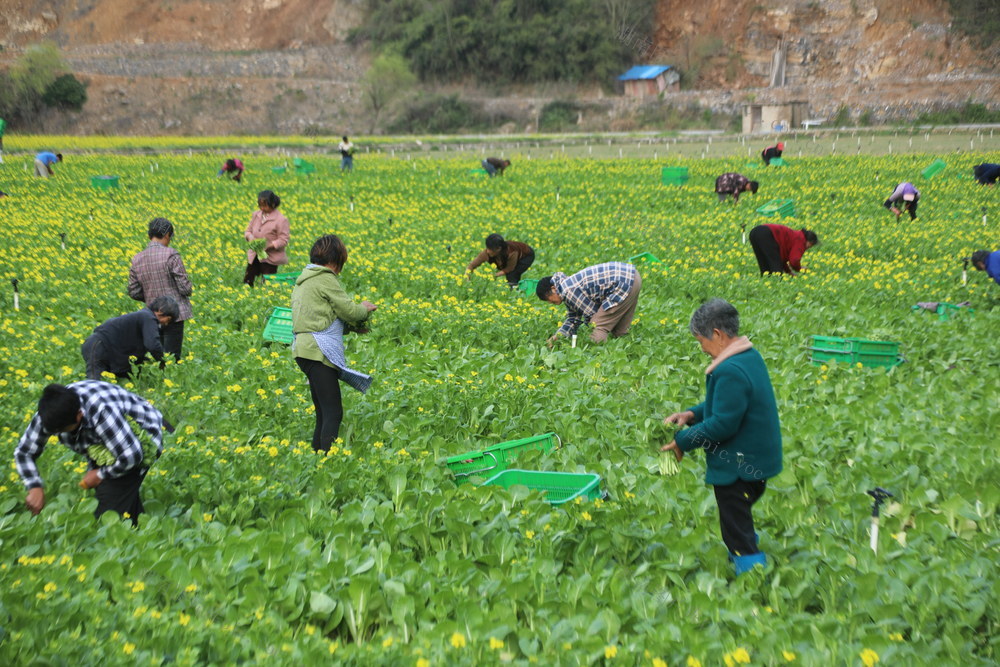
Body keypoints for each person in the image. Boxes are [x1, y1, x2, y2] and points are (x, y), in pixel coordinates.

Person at [661, 299, 782, 576]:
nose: (702, 348)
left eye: (700, 340)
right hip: (758, 461)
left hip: (739, 467)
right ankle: (747, 547)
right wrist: (691, 414)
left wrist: (682, 442)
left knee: (734, 525)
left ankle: (752, 576)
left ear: (717, 334)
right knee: (738, 518)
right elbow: (727, 406)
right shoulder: (748, 357)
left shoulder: (730, 370)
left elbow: (723, 424)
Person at [14, 381, 167, 524]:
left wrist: (100, 474)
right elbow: (24, 452)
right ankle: (136, 525)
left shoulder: (100, 410)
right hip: (108, 441)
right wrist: (34, 486)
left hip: (142, 435)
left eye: (61, 431)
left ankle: (128, 531)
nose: (56, 434)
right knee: (114, 496)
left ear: (79, 415)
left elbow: (132, 456)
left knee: (106, 513)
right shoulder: (50, 415)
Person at [291, 235, 377, 452]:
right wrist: (364, 309)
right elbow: (349, 310)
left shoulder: (305, 279)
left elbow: (322, 317)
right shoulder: (325, 278)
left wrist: (352, 329)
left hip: (303, 350)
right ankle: (328, 461)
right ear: (335, 261)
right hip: (318, 351)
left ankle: (317, 456)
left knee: (323, 411)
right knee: (333, 412)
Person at [128, 218, 193, 359]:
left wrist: (151, 297)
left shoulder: (137, 259)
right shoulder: (171, 255)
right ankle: (170, 379)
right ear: (167, 235)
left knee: (158, 355)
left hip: (154, 314)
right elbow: (185, 288)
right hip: (175, 314)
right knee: (172, 357)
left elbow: (133, 291)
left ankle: (159, 379)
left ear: (149, 235)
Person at [535, 261, 641, 346]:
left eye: (548, 299)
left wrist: (585, 337)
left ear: (553, 288)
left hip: (622, 283)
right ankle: (626, 348)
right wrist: (557, 337)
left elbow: (592, 314)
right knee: (618, 329)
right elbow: (573, 319)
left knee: (596, 326)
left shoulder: (568, 291)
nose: (550, 303)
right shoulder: (566, 286)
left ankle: (600, 356)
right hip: (632, 276)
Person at [81, 296, 178, 380]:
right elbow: (152, 345)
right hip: (98, 346)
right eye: (168, 319)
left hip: (103, 348)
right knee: (94, 382)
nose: (166, 323)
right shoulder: (148, 317)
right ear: (161, 310)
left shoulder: (144, 317)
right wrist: (163, 362)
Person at [243, 190, 290, 287]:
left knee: (267, 282)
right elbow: (248, 231)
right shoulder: (256, 215)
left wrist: (269, 245)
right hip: (255, 254)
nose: (262, 208)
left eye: (265, 206)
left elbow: (283, 240)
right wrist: (250, 238)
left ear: (272, 204)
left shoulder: (281, 220)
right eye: (260, 205)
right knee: (248, 279)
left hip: (270, 257)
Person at [465, 234, 535, 287]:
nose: (488, 251)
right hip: (507, 257)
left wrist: (494, 276)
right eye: (487, 248)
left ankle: (513, 291)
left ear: (498, 248)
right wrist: (467, 277)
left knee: (512, 274)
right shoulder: (486, 253)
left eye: (490, 249)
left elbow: (509, 269)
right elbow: (472, 265)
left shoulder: (511, 252)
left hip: (526, 255)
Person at [748, 224, 818, 275]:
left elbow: (781, 258)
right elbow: (794, 260)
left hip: (755, 232)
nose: (808, 248)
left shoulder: (795, 236)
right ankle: (776, 288)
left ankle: (766, 286)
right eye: (811, 245)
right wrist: (800, 269)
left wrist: (789, 272)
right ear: (809, 241)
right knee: (776, 270)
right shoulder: (800, 240)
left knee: (764, 266)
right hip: (767, 233)